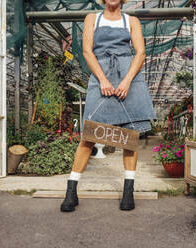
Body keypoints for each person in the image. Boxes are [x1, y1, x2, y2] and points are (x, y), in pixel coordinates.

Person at [60, 0, 156, 212]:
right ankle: (71, 190)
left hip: (127, 76)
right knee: (89, 135)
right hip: (100, 75)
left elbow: (140, 53)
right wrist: (103, 79)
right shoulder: (92, 18)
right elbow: (87, 51)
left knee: (130, 137)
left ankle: (128, 192)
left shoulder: (132, 20)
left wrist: (127, 81)